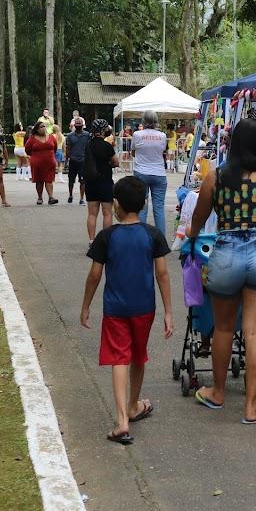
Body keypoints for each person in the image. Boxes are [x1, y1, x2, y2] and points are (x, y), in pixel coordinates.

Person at [188, 119, 256, 425]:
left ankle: (217, 392)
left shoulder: (216, 178)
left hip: (226, 254)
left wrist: (190, 240)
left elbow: (199, 219)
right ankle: (251, 407)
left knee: (224, 328)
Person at [81, 175, 174, 445]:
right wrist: (168, 311)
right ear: (144, 203)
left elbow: (95, 275)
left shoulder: (106, 237)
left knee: (119, 358)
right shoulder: (153, 234)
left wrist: (86, 305)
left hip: (115, 308)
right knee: (137, 356)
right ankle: (134, 405)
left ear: (117, 204)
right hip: (145, 307)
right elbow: (163, 274)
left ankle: (122, 419)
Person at [131, 111, 169, 234]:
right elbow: (162, 151)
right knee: (159, 207)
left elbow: (133, 152)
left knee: (142, 206)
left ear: (143, 120)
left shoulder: (137, 134)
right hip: (159, 173)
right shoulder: (162, 136)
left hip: (141, 172)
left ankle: (142, 237)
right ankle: (161, 240)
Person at [85, 119, 120, 244]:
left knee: (92, 214)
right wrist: (109, 163)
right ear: (103, 129)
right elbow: (116, 162)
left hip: (90, 183)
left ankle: (91, 240)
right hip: (105, 182)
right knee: (107, 213)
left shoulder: (88, 145)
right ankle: (106, 241)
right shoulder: (107, 146)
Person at [25, 123, 59, 205]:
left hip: (50, 163)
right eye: (41, 127)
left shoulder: (51, 137)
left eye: (44, 126)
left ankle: (51, 197)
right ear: (37, 129)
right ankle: (40, 197)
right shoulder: (32, 139)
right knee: (39, 181)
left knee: (49, 180)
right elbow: (27, 150)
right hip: (37, 164)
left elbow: (55, 148)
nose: (44, 128)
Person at [66, 117, 90, 205]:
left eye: (80, 124)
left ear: (83, 126)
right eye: (77, 124)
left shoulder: (87, 135)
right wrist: (66, 160)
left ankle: (81, 198)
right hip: (73, 160)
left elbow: (89, 148)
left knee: (82, 180)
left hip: (83, 161)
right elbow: (68, 148)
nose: (78, 126)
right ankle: (70, 195)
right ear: (74, 126)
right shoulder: (70, 136)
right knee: (71, 180)